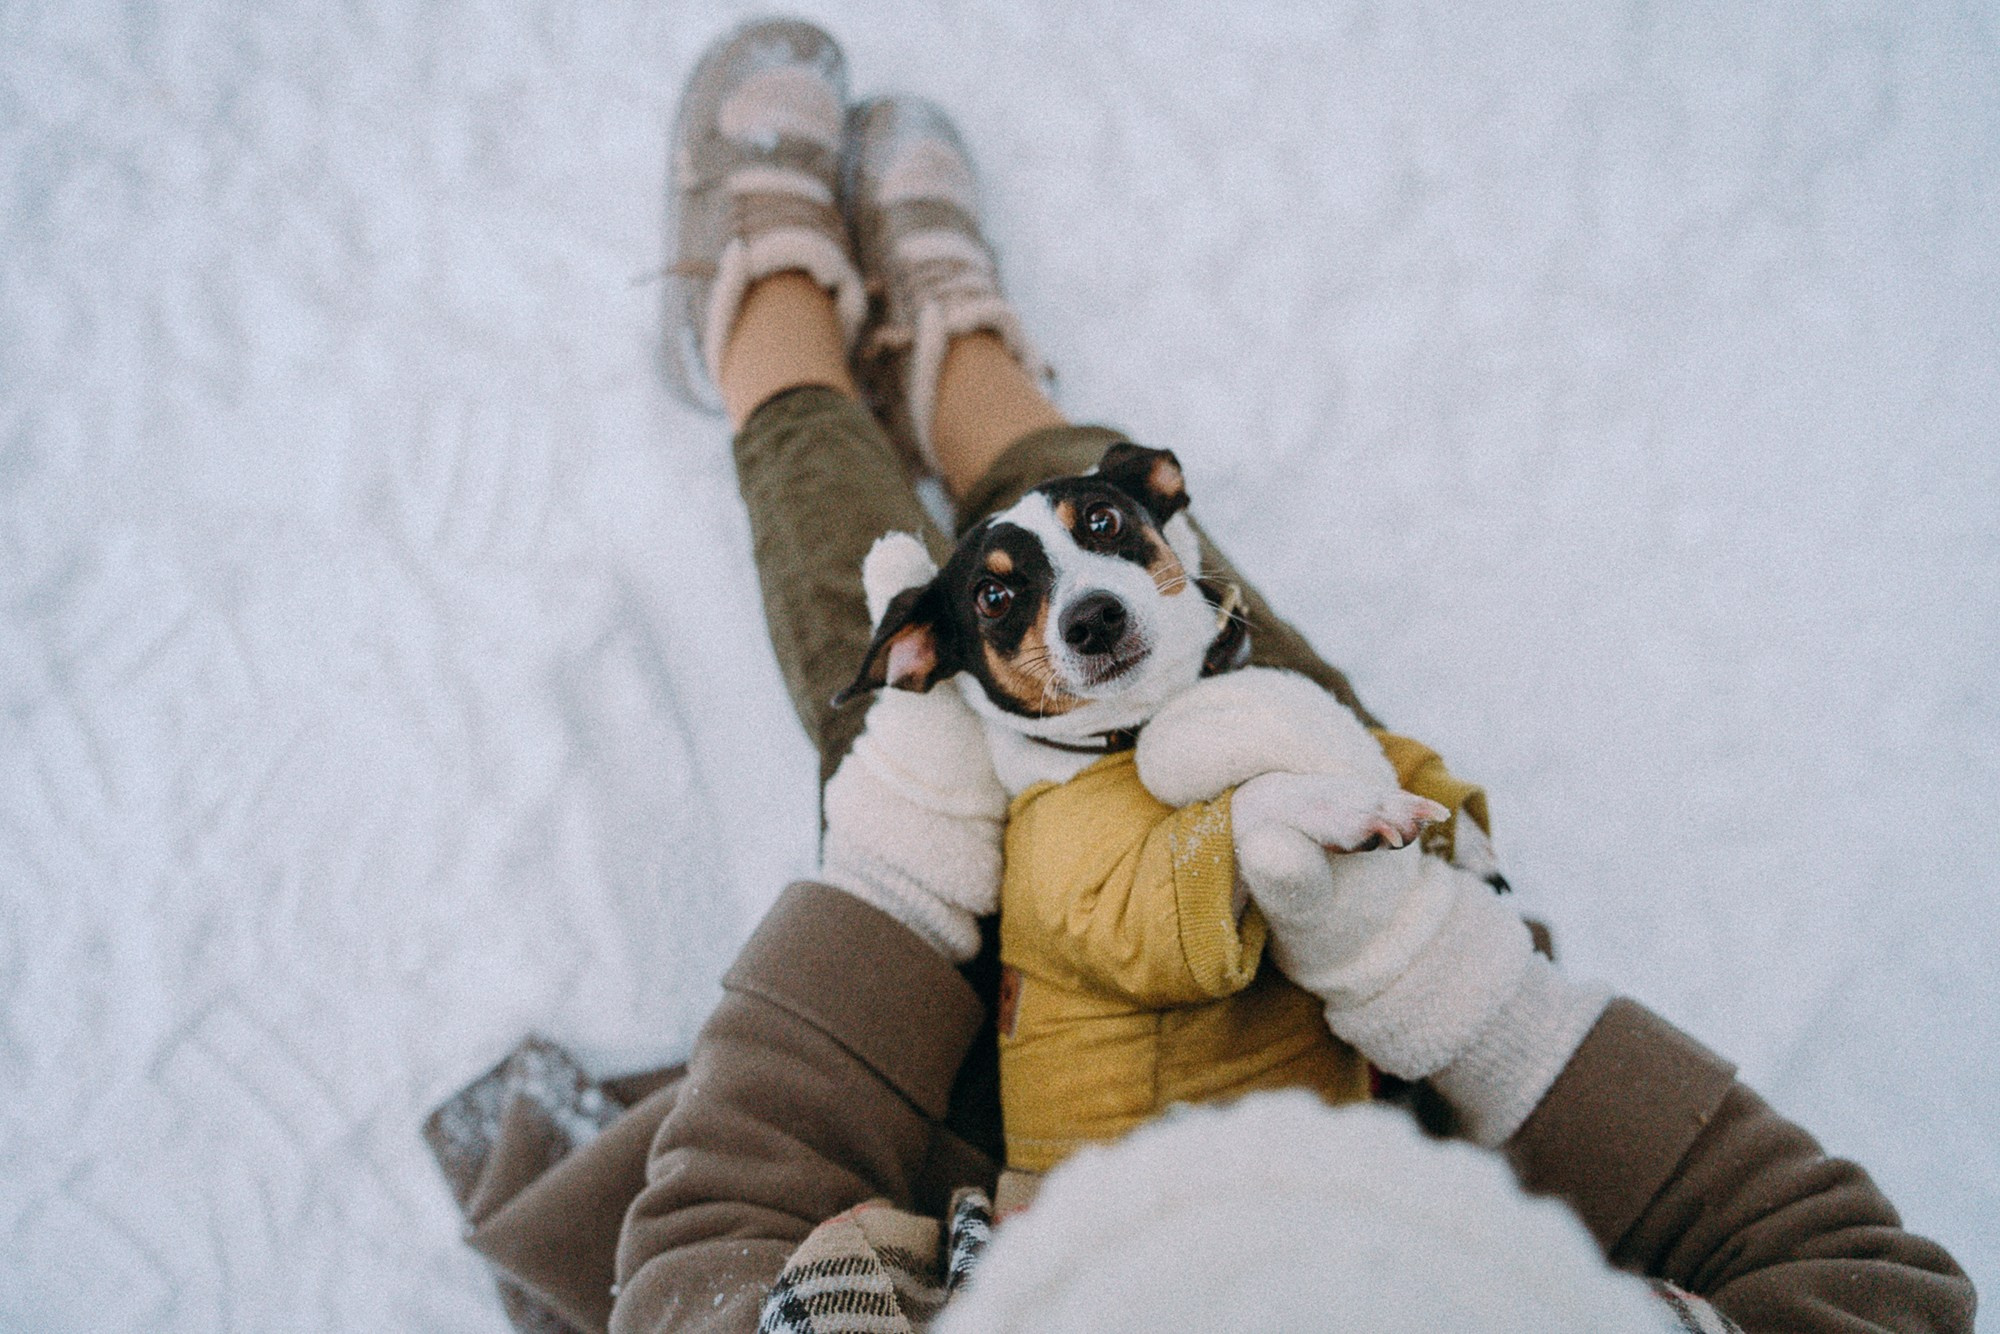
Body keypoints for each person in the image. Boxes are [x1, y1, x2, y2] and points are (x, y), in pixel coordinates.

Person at [432, 19, 1975, 1334]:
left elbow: (704, 1267)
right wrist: (1449, 977)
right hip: (1382, 1050)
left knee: (895, 650)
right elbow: (1869, 1288)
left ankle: (775, 340)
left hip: (1000, 1099)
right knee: (1181, 606)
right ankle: (970, 379)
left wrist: (898, 871)